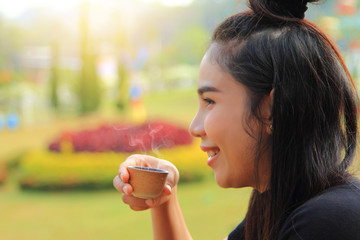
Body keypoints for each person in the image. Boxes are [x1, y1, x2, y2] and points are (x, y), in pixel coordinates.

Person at [113, 0, 360, 239]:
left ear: (269, 108)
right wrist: (164, 200)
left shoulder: (323, 224)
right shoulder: (275, 207)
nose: (194, 127)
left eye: (209, 101)